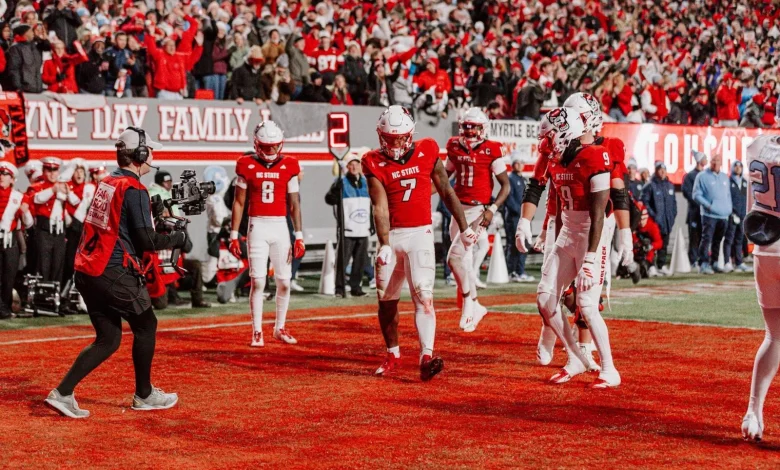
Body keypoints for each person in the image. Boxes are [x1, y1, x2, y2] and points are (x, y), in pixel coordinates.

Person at [45, 127, 188, 418]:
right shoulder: (134, 187)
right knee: (146, 325)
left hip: (88, 268)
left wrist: (156, 222)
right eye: (151, 152)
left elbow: (122, 226)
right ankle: (144, 395)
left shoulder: (109, 182)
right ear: (141, 154)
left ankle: (62, 393)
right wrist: (177, 236)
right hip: (111, 270)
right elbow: (145, 241)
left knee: (108, 339)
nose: (153, 157)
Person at [363, 105, 475, 381]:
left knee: (424, 296)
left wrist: (463, 227)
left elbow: (447, 190)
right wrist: (385, 243)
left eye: (398, 137)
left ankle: (426, 356)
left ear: (410, 134)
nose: (393, 143)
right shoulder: (373, 160)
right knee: (386, 300)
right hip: (394, 235)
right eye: (388, 138)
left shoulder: (427, 150)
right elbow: (379, 207)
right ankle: (393, 354)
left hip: (420, 234)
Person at [534, 108, 620, 389]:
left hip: (592, 236)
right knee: (545, 298)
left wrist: (590, 258)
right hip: (568, 234)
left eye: (550, 137)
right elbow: (559, 210)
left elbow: (599, 214)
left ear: (566, 132)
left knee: (586, 304)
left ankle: (609, 369)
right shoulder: (557, 161)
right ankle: (576, 357)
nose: (546, 144)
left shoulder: (595, 156)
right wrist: (555, 243)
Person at [229, 121, 305, 347]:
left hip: (280, 226)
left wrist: (299, 234)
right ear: (257, 144)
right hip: (257, 226)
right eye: (266, 146)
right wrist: (234, 234)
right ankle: (257, 330)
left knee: (284, 281)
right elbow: (239, 202)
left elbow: (294, 204)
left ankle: (279, 327)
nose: (271, 151)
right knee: (258, 281)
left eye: (274, 146)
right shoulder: (246, 164)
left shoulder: (290, 165)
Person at [444, 107, 510, 332]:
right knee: (463, 260)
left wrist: (492, 208)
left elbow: (506, 185)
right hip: (457, 209)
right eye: (467, 126)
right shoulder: (453, 145)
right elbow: (446, 176)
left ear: (484, 128)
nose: (470, 131)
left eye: (474, 127)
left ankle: (469, 305)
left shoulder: (492, 149)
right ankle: (476, 305)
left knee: (455, 258)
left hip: (479, 211)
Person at [741, 135, 780, 442]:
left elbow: (751, 202)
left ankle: (753, 412)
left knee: (774, 335)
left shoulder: (757, 145)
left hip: (765, 249)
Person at [325, 153, 371, 298]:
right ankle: (339, 288)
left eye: (356, 164)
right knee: (342, 261)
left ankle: (355, 287)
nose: (354, 167)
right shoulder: (341, 182)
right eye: (351, 164)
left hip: (363, 228)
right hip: (347, 228)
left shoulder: (366, 182)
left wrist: (373, 225)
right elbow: (329, 199)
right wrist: (335, 190)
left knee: (360, 261)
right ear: (347, 167)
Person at [0, 161, 33, 319]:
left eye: (5, 174)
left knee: (9, 275)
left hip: (10, 238)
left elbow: (29, 223)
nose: (1, 176)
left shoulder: (19, 197)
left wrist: (24, 213)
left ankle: (4, 308)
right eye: (0, 173)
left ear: (12, 179)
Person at [692, 153, 732, 275]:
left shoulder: (725, 177)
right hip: (709, 215)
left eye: (718, 161)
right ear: (710, 162)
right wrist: (708, 206)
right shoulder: (702, 176)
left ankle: (714, 262)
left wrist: (728, 209)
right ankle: (703, 264)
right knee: (706, 239)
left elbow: (728, 195)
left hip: (723, 215)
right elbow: (696, 195)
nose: (715, 163)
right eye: (713, 160)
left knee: (718, 240)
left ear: (721, 163)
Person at [31, 157, 68, 283]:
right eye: (49, 170)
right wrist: (53, 190)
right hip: (44, 230)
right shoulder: (37, 186)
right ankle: (42, 294)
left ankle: (55, 296)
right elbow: (36, 199)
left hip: (59, 231)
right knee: (43, 264)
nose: (52, 173)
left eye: (55, 170)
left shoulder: (64, 187)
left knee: (58, 265)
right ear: (43, 171)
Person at [62, 158, 95, 285]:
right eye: (76, 171)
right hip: (70, 230)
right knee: (70, 262)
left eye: (81, 171)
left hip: (85, 231)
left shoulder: (90, 188)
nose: (79, 174)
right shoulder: (66, 187)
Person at [641, 162, 677, 273]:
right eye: (660, 169)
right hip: (655, 222)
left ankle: (661, 265)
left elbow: (673, 203)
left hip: (667, 221)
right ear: (656, 171)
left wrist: (672, 216)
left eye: (664, 170)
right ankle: (650, 265)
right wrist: (654, 216)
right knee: (653, 243)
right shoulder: (650, 185)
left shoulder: (670, 185)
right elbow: (645, 202)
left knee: (664, 245)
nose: (662, 172)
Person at [504, 152, 534, 283]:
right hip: (514, 218)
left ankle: (519, 271)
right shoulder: (510, 179)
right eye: (517, 162)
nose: (520, 165)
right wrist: (521, 213)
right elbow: (509, 200)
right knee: (514, 244)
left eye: (522, 162)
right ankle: (513, 272)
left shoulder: (523, 179)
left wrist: (528, 214)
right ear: (513, 164)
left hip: (523, 218)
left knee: (525, 244)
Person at [724, 160, 751, 273]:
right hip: (732, 215)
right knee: (729, 239)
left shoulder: (744, 182)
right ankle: (727, 262)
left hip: (742, 215)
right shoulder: (728, 182)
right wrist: (730, 213)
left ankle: (739, 262)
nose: (738, 168)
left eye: (740, 166)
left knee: (739, 239)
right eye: (736, 166)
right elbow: (726, 198)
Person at [682, 151, 707, 268]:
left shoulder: (707, 175)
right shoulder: (690, 176)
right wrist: (699, 202)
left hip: (705, 213)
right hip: (694, 212)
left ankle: (703, 259)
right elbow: (687, 192)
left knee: (704, 237)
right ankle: (693, 260)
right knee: (694, 237)